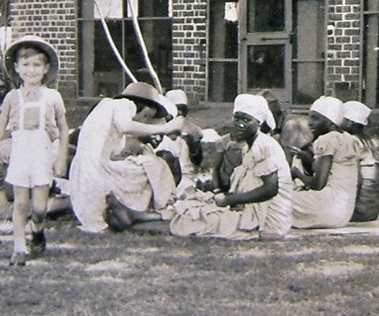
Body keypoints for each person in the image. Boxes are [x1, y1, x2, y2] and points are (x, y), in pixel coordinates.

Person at [132, 93, 293, 240]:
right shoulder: (248, 147)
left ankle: (133, 223)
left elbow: (271, 189)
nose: (240, 125)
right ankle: (138, 216)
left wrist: (230, 199)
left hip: (268, 222)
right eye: (237, 119)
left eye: (246, 120)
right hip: (250, 210)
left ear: (259, 122)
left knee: (203, 219)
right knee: (195, 204)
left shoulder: (264, 145)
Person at [0, 36, 69, 266]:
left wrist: (61, 159)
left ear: (46, 69)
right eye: (25, 65)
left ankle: (37, 229)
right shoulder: (12, 98)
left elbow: (64, 129)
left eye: (37, 65)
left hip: (42, 154)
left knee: (38, 207)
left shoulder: (53, 97)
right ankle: (19, 248)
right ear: (17, 68)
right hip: (20, 154)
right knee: (20, 203)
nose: (31, 70)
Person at [68, 81, 183, 233]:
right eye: (146, 116)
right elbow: (126, 126)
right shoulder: (124, 104)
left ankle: (138, 213)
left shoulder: (106, 112)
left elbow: (115, 149)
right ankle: (152, 211)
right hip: (96, 172)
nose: (143, 120)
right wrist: (164, 128)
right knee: (155, 167)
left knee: (145, 165)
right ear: (141, 106)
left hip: (84, 174)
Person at [290, 96, 360, 229]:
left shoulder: (327, 140)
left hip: (327, 207)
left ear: (331, 121)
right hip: (344, 213)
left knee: (277, 199)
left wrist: (297, 174)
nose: (309, 123)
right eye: (309, 117)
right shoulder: (350, 139)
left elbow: (318, 185)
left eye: (315, 118)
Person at [0, 137, 70, 222]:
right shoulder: (9, 150)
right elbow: (12, 193)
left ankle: (70, 202)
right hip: (3, 192)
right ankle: (71, 203)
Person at [341, 101, 379, 222]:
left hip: (358, 210)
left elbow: (357, 179)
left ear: (350, 122)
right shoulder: (373, 141)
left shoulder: (350, 141)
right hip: (373, 209)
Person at [154, 89, 204, 183]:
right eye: (177, 109)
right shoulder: (159, 127)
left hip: (186, 177)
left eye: (183, 109)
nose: (180, 113)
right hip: (164, 177)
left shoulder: (192, 129)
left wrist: (192, 145)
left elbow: (198, 161)